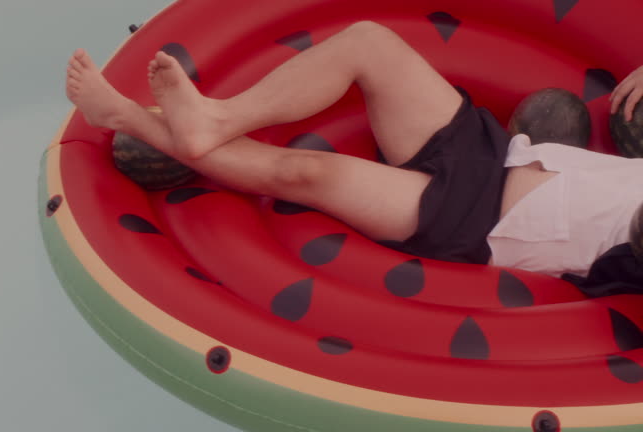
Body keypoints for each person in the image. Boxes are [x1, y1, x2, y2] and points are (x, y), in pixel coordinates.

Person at [64, 20, 643, 296]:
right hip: (497, 154)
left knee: (311, 173)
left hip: (471, 223)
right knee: (370, 43)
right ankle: (216, 120)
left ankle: (126, 118)